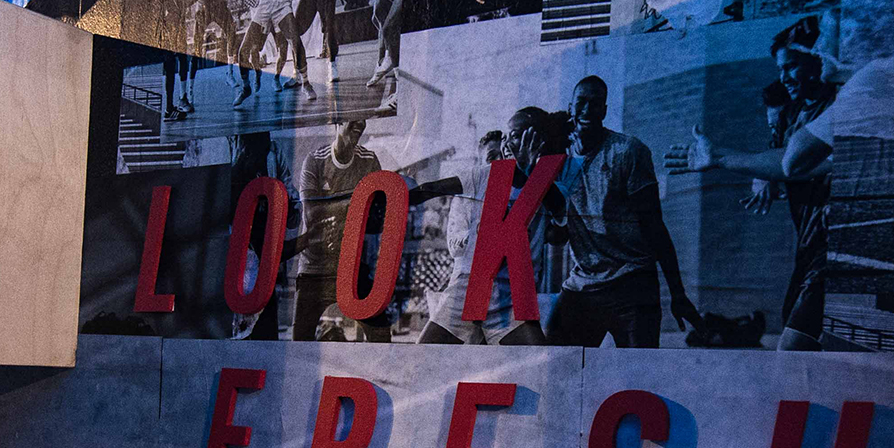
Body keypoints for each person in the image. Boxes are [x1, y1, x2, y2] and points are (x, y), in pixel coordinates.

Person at [682, 21, 838, 350]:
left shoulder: (839, 105)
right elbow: (778, 159)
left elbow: (797, 163)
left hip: (834, 245)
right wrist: (764, 174)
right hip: (808, 248)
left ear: (818, 60)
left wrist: (722, 157)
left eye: (791, 66)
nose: (784, 77)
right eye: (780, 69)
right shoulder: (791, 115)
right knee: (802, 341)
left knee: (793, 346)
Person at [544, 75, 699, 347]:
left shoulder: (627, 151)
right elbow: (557, 236)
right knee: (556, 361)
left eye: (596, 103)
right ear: (570, 107)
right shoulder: (558, 162)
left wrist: (677, 292)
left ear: (604, 110)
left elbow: (654, 226)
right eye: (581, 102)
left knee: (636, 370)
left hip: (632, 283)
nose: (587, 109)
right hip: (584, 284)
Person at [422, 108, 562, 344]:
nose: (499, 161)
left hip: (509, 296)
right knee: (428, 352)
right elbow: (455, 244)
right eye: (491, 157)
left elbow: (558, 228)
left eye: (503, 154)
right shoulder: (471, 190)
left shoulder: (541, 185)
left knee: (535, 356)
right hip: (470, 288)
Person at [294, 114, 392, 341]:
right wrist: (357, 201)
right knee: (300, 342)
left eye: (364, 117)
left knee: (381, 338)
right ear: (337, 121)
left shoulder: (369, 160)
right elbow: (311, 214)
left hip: (353, 264)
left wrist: (335, 207)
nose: (361, 123)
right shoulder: (315, 160)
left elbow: (377, 215)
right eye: (354, 116)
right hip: (315, 267)